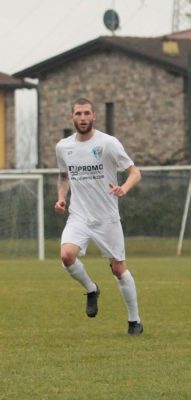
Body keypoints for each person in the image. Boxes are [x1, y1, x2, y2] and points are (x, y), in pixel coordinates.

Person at [54, 98, 143, 335]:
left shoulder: (108, 143)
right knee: (66, 255)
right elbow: (64, 176)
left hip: (107, 218)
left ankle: (134, 321)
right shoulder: (63, 147)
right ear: (72, 117)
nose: (82, 118)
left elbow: (135, 172)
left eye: (86, 113)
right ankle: (92, 289)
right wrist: (62, 197)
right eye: (78, 114)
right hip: (79, 215)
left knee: (118, 268)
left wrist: (124, 188)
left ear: (94, 116)